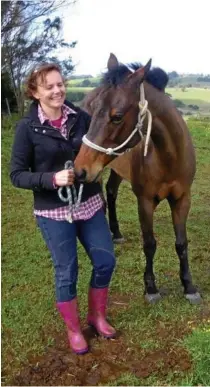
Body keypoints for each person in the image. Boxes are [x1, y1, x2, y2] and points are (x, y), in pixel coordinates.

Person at [10, 63, 116, 355]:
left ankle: (97, 316)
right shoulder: (27, 128)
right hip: (54, 212)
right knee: (67, 271)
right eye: (49, 86)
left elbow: (103, 140)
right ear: (35, 92)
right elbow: (16, 175)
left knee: (106, 261)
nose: (58, 90)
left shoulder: (82, 118)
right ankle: (74, 330)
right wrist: (50, 179)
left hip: (90, 204)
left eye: (60, 84)